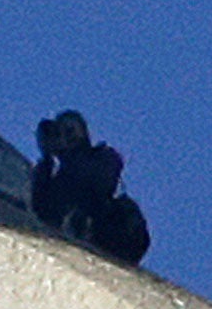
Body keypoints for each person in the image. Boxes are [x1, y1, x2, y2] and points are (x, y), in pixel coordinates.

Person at [31, 110, 151, 265]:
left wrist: (68, 156)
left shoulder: (103, 156)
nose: (68, 137)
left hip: (112, 230)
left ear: (84, 133)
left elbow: (97, 182)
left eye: (71, 131)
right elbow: (43, 211)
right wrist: (47, 158)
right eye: (62, 133)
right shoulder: (58, 177)